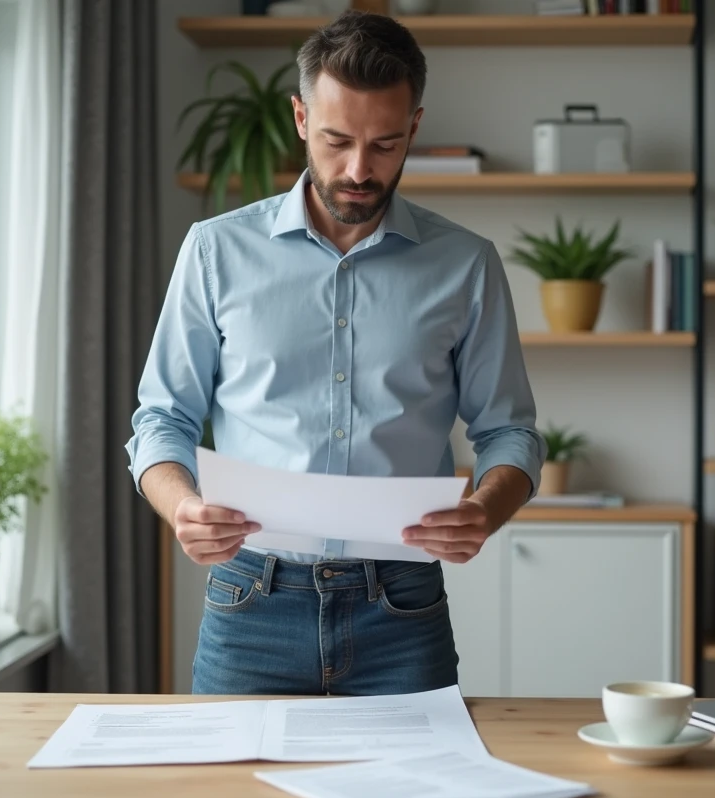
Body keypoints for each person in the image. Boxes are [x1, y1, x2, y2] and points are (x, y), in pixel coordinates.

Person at [126, 9, 545, 697]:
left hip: (403, 610)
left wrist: (487, 509)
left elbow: (509, 431)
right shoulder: (215, 250)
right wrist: (182, 507)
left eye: (384, 144)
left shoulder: (467, 265)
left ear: (413, 127)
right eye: (336, 140)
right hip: (250, 603)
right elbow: (160, 419)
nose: (358, 169)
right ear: (298, 117)